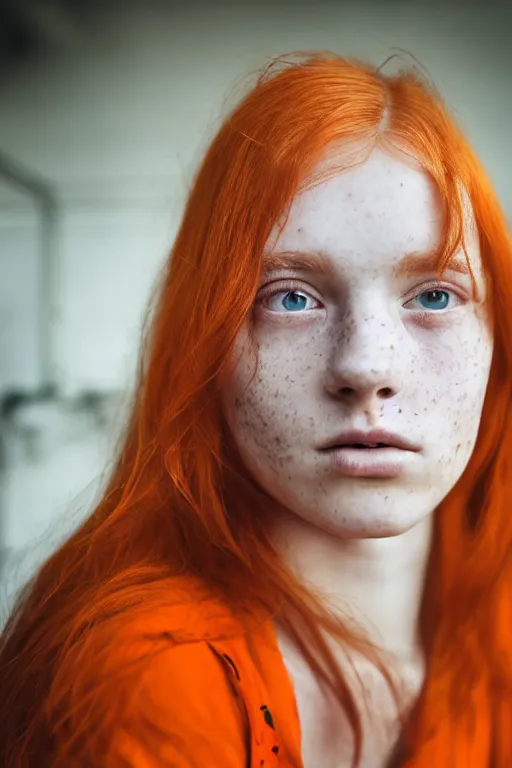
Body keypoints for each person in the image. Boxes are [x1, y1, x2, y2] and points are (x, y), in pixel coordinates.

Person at [1, 50, 511, 768]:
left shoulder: (498, 645)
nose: (366, 366)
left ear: (501, 347)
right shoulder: (144, 679)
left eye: (434, 295)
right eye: (291, 297)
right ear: (206, 345)